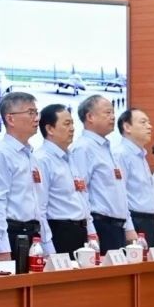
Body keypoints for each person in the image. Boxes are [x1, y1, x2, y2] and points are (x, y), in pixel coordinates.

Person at [0, 92, 52, 262]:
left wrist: (47, 245)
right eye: (30, 113)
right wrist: (2, 249)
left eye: (37, 113)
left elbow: (40, 207)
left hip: (34, 237)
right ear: (10, 119)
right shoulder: (1, 155)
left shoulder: (31, 156)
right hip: (12, 236)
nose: (36, 118)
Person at [71, 94, 136, 253]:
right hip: (100, 225)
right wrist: (90, 231)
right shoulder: (83, 148)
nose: (113, 117)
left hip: (117, 226)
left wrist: (129, 226)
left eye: (113, 112)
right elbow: (80, 192)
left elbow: (120, 193)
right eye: (107, 112)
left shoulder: (107, 148)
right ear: (90, 117)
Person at [34, 104, 95, 256]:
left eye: (73, 123)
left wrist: (91, 232)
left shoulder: (70, 157)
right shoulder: (42, 160)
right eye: (67, 124)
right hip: (59, 233)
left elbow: (83, 197)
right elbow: (39, 208)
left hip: (80, 231)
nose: (72, 128)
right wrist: (48, 247)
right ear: (50, 129)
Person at [115, 108, 154, 245]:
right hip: (135, 220)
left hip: (150, 220)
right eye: (143, 122)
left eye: (149, 122)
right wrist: (129, 227)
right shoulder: (121, 154)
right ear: (127, 127)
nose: (149, 126)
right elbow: (119, 194)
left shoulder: (141, 155)